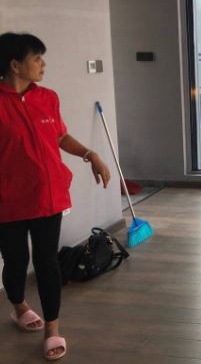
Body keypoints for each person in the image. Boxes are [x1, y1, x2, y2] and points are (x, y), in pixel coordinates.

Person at [0, 32, 111, 360]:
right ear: (15, 65)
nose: (43, 64)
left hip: (48, 196)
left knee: (46, 261)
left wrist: (91, 154)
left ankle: (52, 328)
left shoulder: (47, 97)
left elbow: (60, 136)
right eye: (37, 58)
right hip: (8, 200)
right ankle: (19, 305)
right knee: (16, 260)